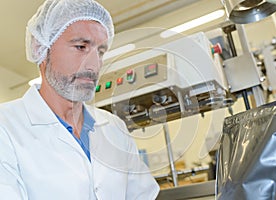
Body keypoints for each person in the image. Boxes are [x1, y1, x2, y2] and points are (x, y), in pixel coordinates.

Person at [0, 0, 160, 199]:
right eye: (80, 47)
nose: (94, 65)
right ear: (41, 48)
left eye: (100, 52)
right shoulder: (5, 128)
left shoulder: (114, 128)